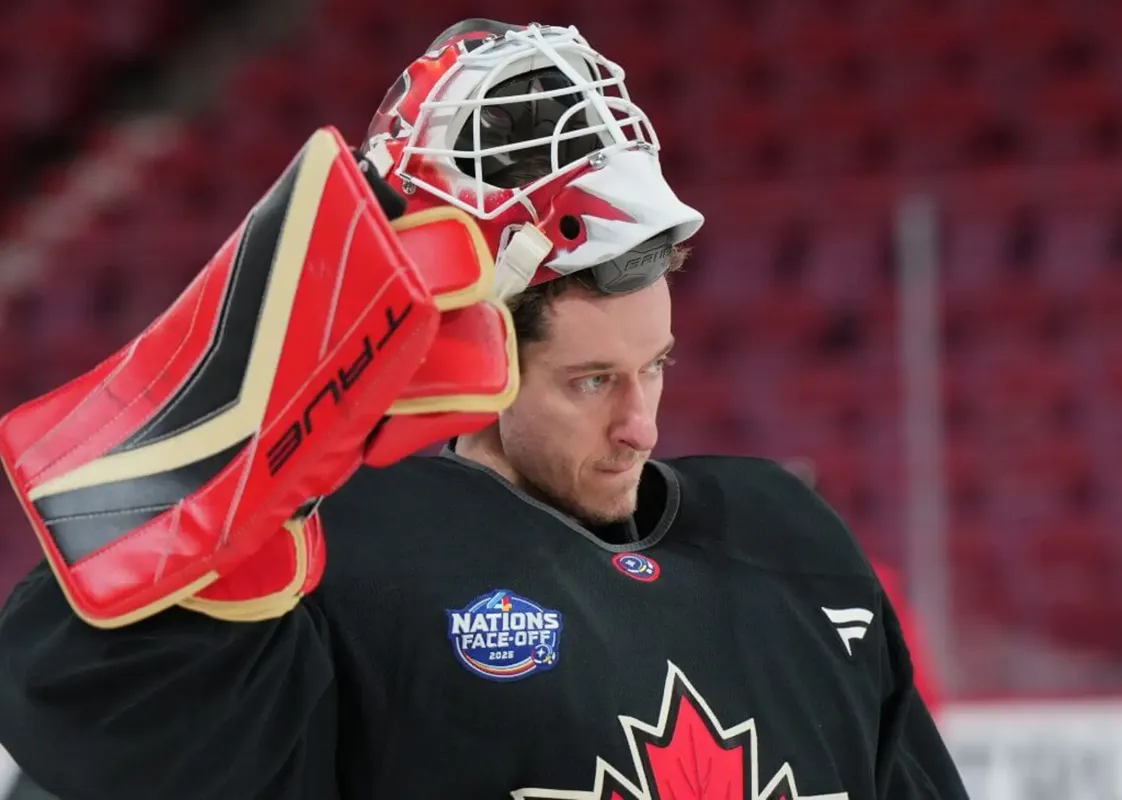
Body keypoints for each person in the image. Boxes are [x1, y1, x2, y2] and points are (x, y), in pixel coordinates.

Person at [0, 19, 969, 800]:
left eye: (657, 368)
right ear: (478, 362)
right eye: (591, 381)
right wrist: (224, 478)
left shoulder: (790, 540)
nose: (641, 426)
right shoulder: (329, 563)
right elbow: (74, 712)